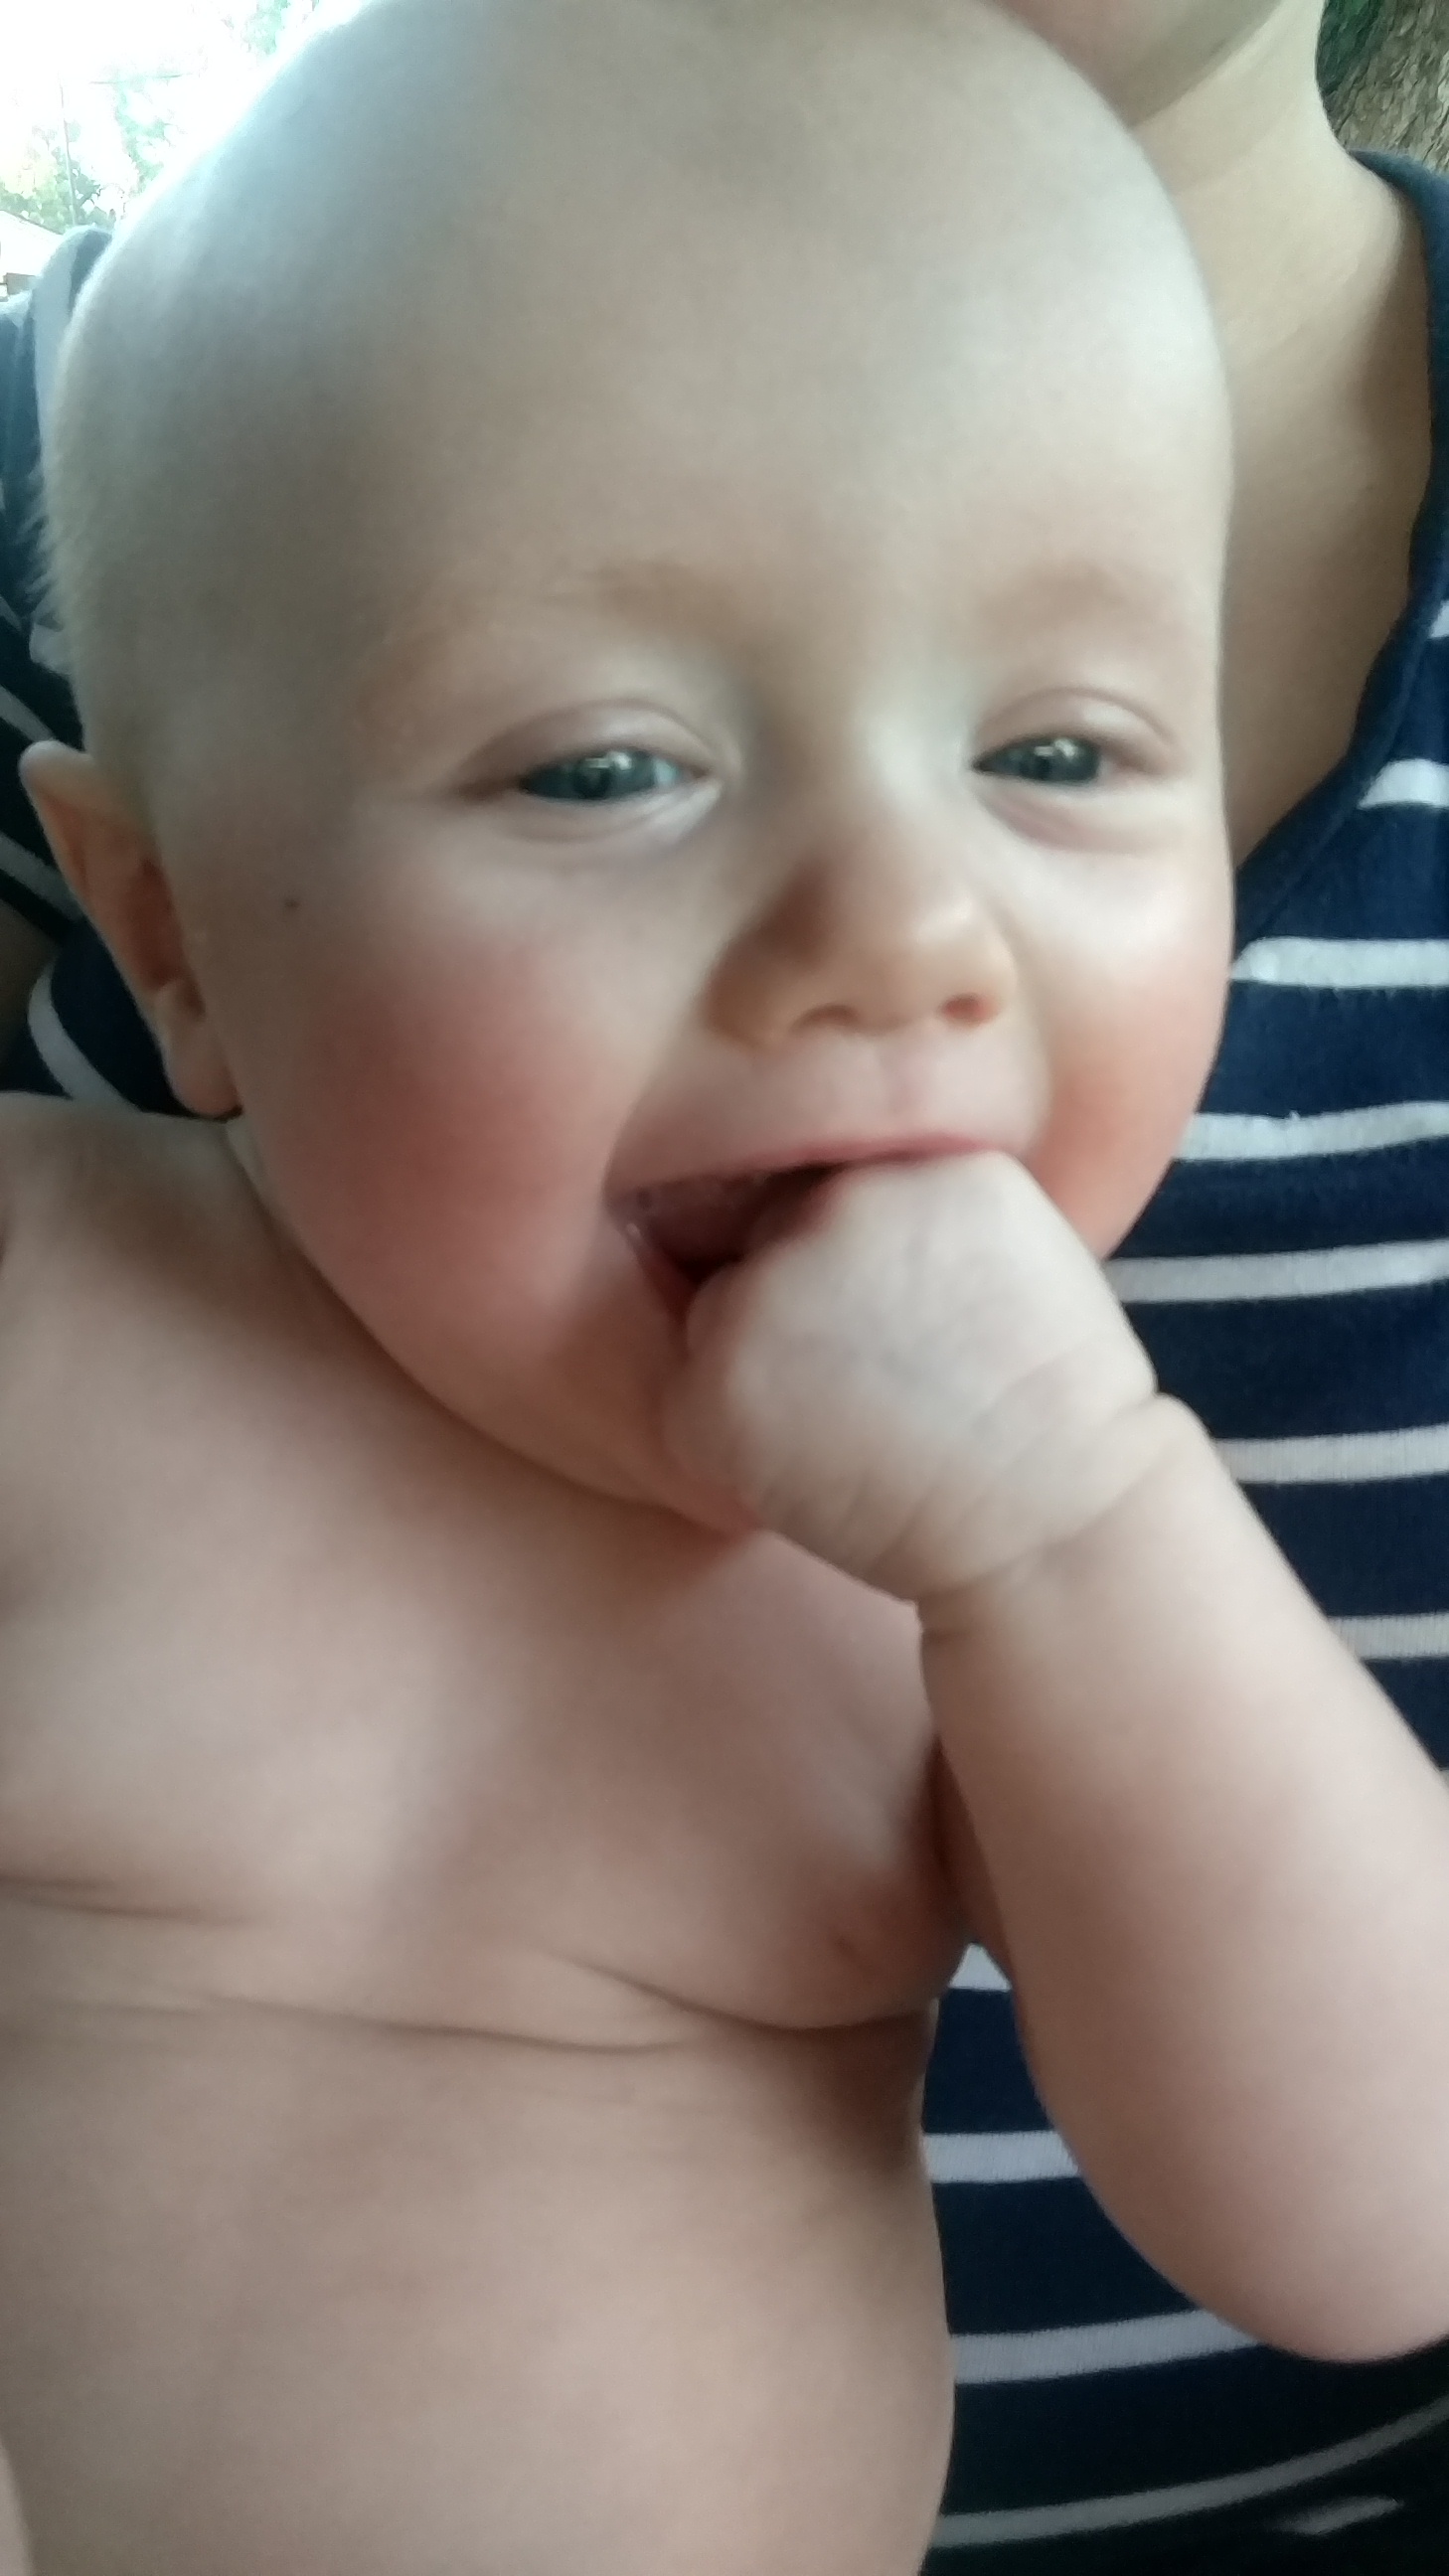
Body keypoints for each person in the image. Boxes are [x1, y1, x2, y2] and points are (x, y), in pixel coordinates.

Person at [8, 0, 1449, 2565]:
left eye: (1056, 754)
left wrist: (1071, 1516)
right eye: (607, 768)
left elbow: (1379, 2219)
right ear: (170, 930)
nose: (897, 931)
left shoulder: (988, 1611)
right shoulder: (51, 1315)